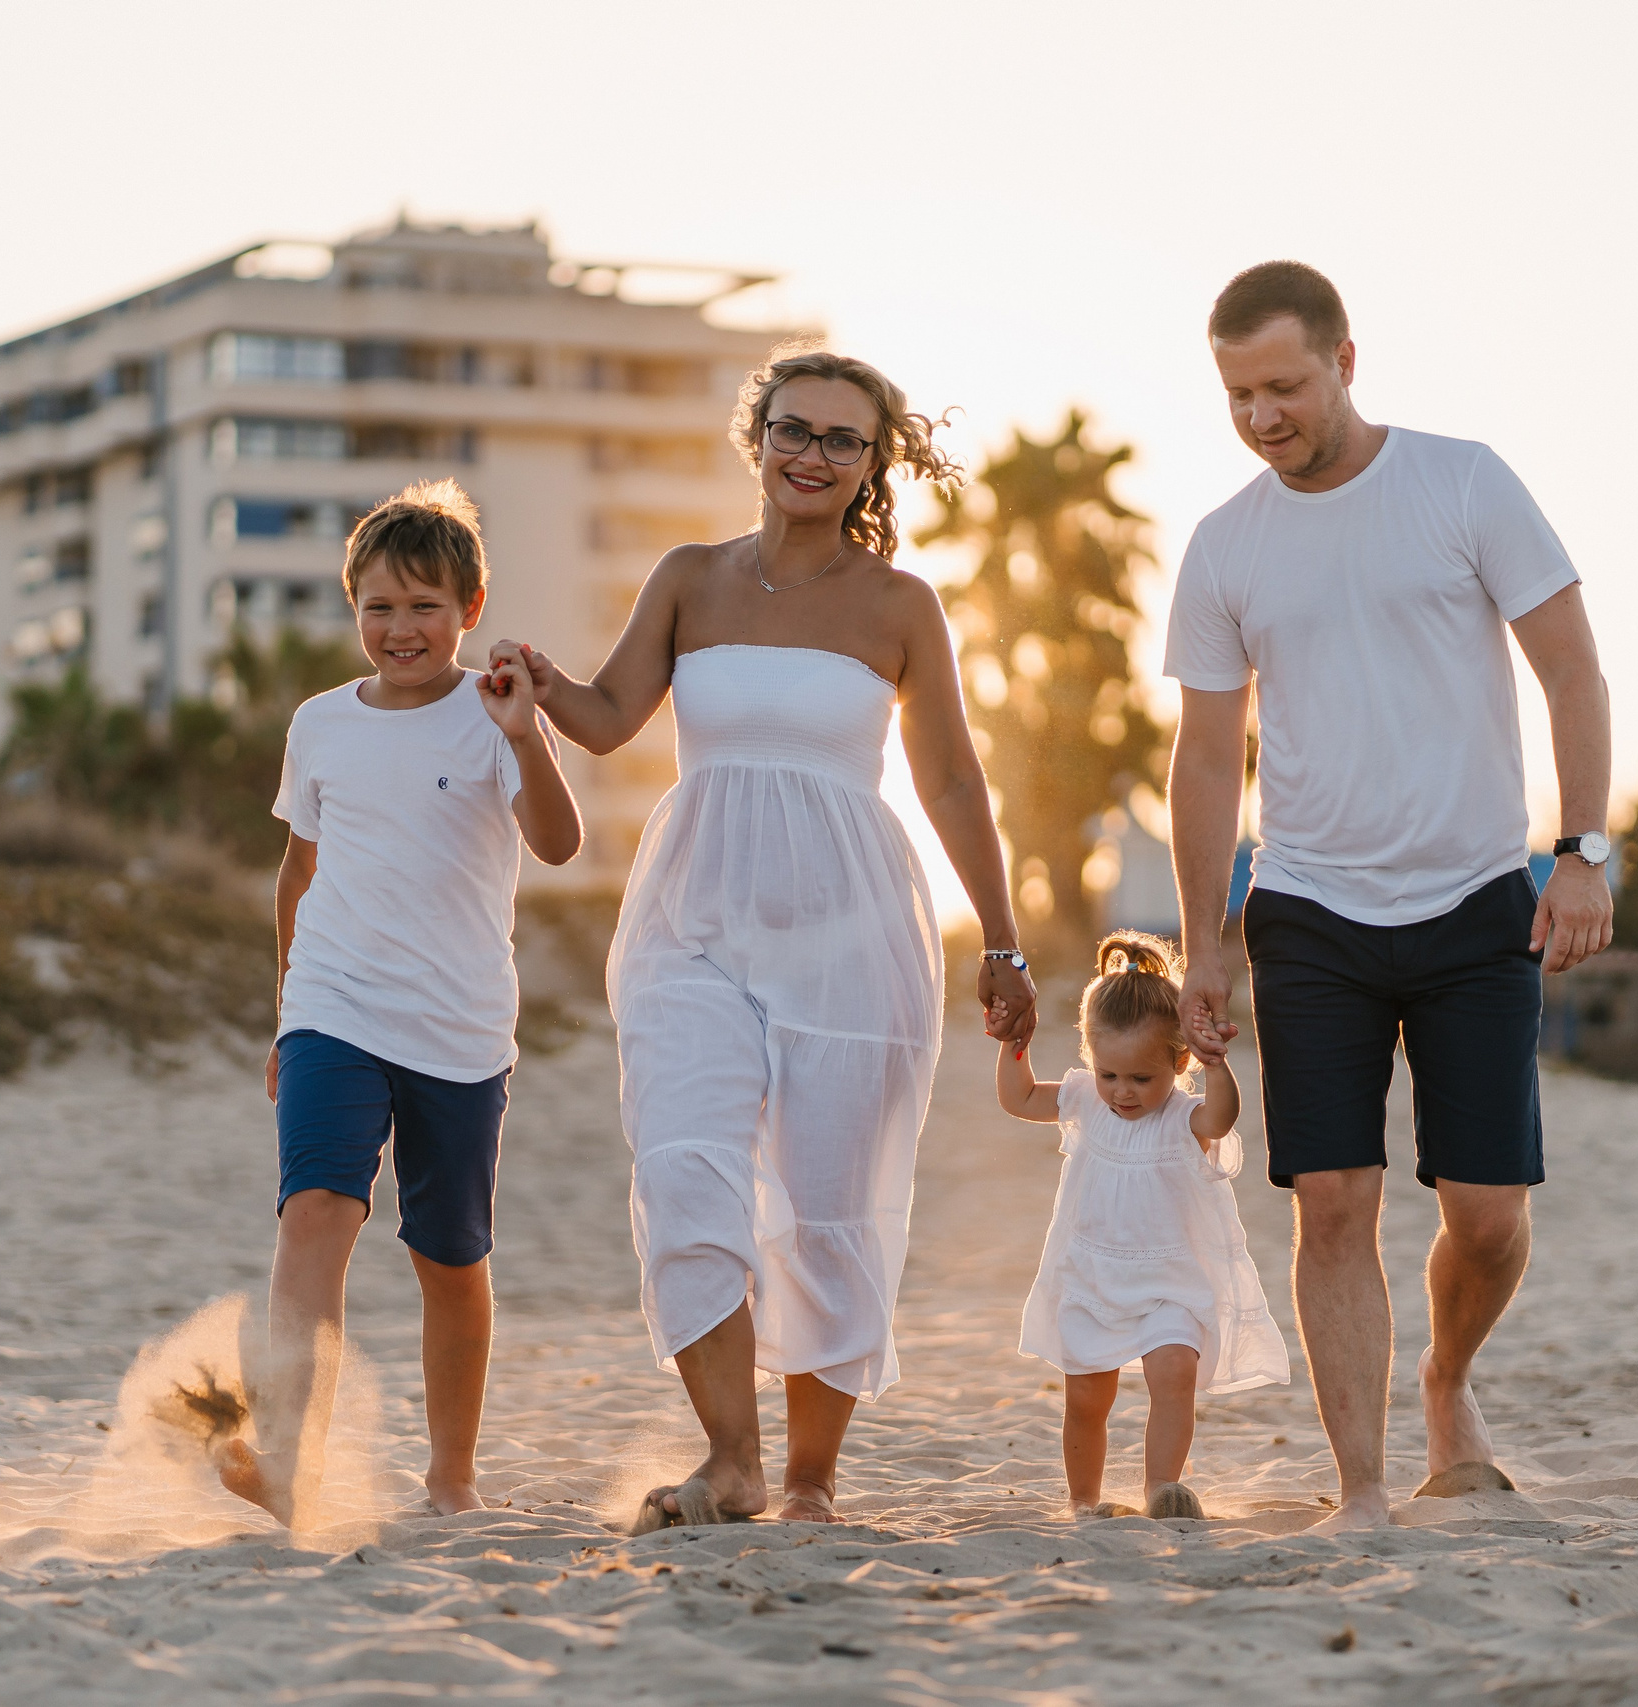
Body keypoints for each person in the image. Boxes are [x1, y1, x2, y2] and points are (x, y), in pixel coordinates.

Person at [501, 347, 1037, 1530]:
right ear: (757, 439)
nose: (812, 455)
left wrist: (1001, 942)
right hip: (690, 917)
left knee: (828, 1207)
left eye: (842, 440)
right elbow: (607, 716)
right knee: (682, 1165)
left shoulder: (901, 605)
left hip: (851, 933)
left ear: (872, 464)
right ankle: (731, 1459)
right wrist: (541, 688)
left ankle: (808, 1483)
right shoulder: (689, 577)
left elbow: (952, 781)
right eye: (793, 429)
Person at [1165, 262, 1614, 1533]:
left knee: (1487, 1217)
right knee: (1331, 1201)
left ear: (1345, 361)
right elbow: (1205, 757)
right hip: (1309, 908)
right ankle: (1360, 1489)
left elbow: (1571, 669)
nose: (1261, 416)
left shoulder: (1461, 483)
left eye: (1283, 386)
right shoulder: (1224, 545)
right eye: (1238, 395)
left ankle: (1446, 1377)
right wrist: (1205, 944)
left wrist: (1581, 851)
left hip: (1475, 899)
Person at [215, 480, 582, 1529]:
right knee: (313, 1213)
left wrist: (526, 735)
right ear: (354, 610)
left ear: (470, 608)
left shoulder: (496, 715)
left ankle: (451, 1476)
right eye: (379, 606)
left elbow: (559, 845)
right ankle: (289, 1460)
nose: (401, 627)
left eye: (424, 605)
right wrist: (287, 1013)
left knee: (449, 1260)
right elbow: (297, 873)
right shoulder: (320, 723)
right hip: (332, 1005)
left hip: (459, 1028)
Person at [994, 931, 1288, 1521]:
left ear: (1179, 1063)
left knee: (1175, 1372)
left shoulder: (1184, 1117)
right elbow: (1018, 1099)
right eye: (1109, 1075)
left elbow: (1222, 1116)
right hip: (1093, 1275)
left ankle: (1162, 1488)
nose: (1122, 1092)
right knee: (1086, 1396)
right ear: (1090, 1058)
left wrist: (1217, 1064)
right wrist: (1012, 1046)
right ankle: (1083, 1500)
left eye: (1141, 1079)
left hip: (1169, 1281)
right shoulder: (1084, 1099)